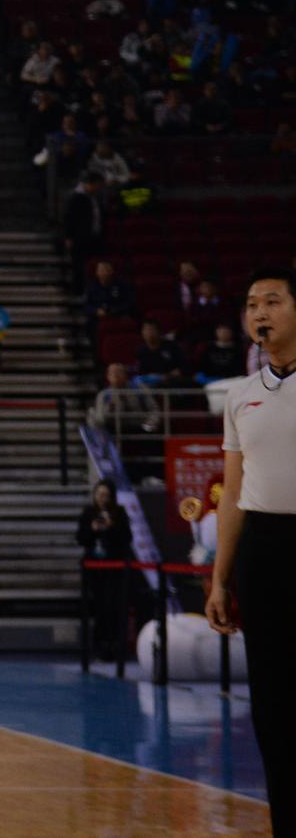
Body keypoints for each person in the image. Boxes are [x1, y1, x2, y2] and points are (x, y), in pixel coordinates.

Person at [207, 270, 296, 834]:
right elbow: (233, 495)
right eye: (250, 304)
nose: (259, 312)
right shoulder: (240, 396)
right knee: (272, 703)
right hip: (263, 552)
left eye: (273, 301)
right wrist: (220, 579)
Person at [76, 479, 133, 662]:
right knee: (98, 608)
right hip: (94, 569)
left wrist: (111, 527)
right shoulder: (88, 513)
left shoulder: (119, 513)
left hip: (113, 568)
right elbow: (80, 538)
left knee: (113, 607)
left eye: (106, 495)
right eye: (99, 495)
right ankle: (97, 645)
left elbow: (126, 538)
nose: (102, 499)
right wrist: (92, 529)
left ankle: (114, 645)